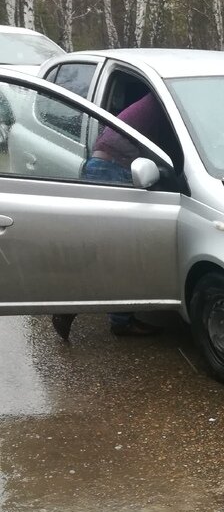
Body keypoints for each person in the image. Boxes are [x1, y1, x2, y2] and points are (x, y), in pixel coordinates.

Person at [52, 92, 177, 342]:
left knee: (103, 252)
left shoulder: (155, 99)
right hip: (114, 170)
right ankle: (99, 315)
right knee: (121, 254)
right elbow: (175, 151)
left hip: (101, 165)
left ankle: (76, 308)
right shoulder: (171, 102)